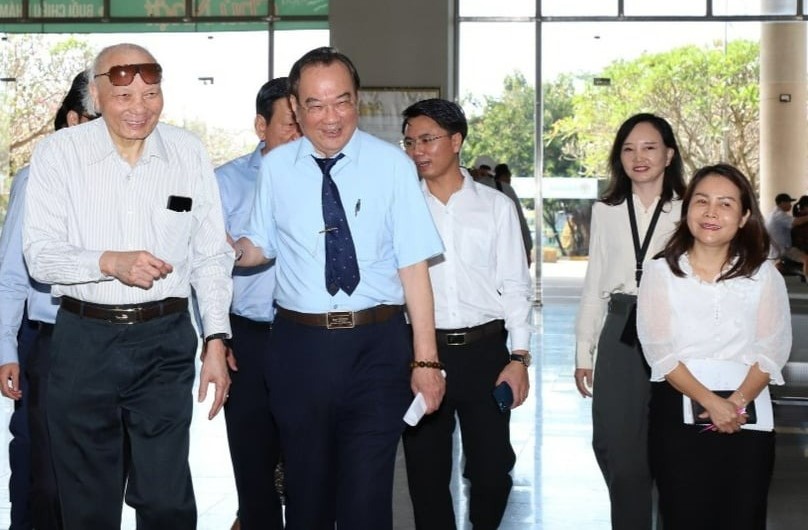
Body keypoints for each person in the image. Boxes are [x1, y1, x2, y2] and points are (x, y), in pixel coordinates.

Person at [22, 43, 233, 529]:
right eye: (123, 96)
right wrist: (109, 262)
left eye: (151, 94)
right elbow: (40, 255)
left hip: (164, 340)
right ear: (96, 96)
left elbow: (210, 254)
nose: (140, 108)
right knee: (87, 500)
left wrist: (217, 339)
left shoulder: (187, 152)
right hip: (83, 339)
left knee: (165, 497)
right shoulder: (59, 154)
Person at [233, 47, 445, 530]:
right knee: (307, 491)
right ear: (294, 106)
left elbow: (414, 267)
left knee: (367, 496)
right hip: (298, 350)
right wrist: (226, 250)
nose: (331, 118)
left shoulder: (392, 165)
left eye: (342, 102)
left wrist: (427, 362)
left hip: (377, 348)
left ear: (358, 101)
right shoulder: (277, 168)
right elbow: (260, 246)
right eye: (316, 105)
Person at [400, 98, 532, 530]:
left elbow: (515, 284)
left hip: (485, 353)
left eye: (427, 139)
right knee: (426, 474)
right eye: (410, 141)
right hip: (423, 353)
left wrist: (519, 357)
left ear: (456, 141)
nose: (417, 149)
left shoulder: (495, 207)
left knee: (492, 471)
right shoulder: (401, 207)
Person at [637, 163, 790, 530]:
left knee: (743, 514)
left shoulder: (763, 274)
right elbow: (659, 350)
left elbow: (773, 349)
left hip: (748, 412)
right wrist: (711, 403)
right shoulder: (660, 272)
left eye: (725, 204)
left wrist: (734, 405)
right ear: (687, 209)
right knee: (684, 513)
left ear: (743, 217)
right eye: (702, 201)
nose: (711, 212)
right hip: (678, 409)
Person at [574, 113, 686, 530]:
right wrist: (583, 351)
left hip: (676, 327)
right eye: (628, 148)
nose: (638, 157)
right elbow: (593, 286)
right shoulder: (606, 210)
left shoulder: (688, 208)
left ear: (669, 153)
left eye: (649, 147)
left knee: (672, 444)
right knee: (615, 445)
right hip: (621, 326)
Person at [0, 69, 97, 530]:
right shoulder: (35, 179)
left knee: (96, 471)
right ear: (74, 120)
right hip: (51, 342)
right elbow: (11, 278)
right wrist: (6, 352)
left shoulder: (125, 185)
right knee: (43, 472)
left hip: (110, 340)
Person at [215, 77, 300, 530]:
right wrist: (215, 336)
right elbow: (206, 270)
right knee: (252, 457)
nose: (298, 133)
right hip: (246, 337)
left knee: (308, 455)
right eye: (290, 123)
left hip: (306, 334)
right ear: (260, 125)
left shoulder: (323, 178)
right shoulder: (225, 183)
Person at [493, 162, 533, 265]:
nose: (509, 181)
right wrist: (527, 248)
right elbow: (520, 220)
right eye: (508, 177)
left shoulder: (477, 188)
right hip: (506, 246)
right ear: (503, 176)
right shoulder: (507, 189)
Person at [765, 192, 808, 275]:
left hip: (775, 250)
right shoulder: (779, 215)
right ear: (782, 203)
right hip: (783, 250)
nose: (790, 205)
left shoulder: (772, 214)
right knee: (806, 259)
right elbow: (796, 222)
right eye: (789, 203)